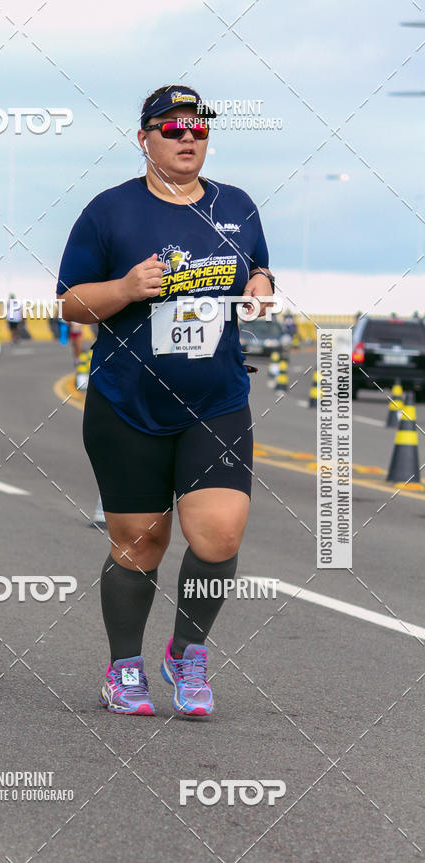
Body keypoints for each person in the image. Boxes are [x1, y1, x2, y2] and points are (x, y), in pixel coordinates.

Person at [57, 85, 275, 718]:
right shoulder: (110, 212)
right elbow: (69, 302)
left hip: (216, 400)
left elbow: (257, 269)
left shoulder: (236, 206)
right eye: (173, 128)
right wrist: (124, 288)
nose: (188, 138)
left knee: (218, 536)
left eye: (199, 129)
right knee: (140, 542)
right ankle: (123, 666)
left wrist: (261, 283)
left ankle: (187, 654)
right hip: (128, 404)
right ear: (145, 137)